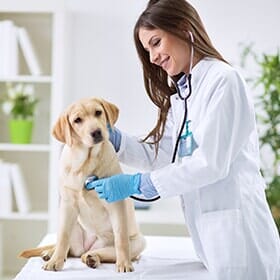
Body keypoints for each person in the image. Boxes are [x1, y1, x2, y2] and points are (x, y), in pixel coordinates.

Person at [85, 0, 280, 279]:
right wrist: (116, 141)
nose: (152, 57)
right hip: (214, 241)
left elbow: (210, 163)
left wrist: (138, 185)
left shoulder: (224, 81)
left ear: (184, 29)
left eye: (155, 42)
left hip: (242, 241)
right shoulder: (184, 94)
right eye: (147, 49)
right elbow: (167, 154)